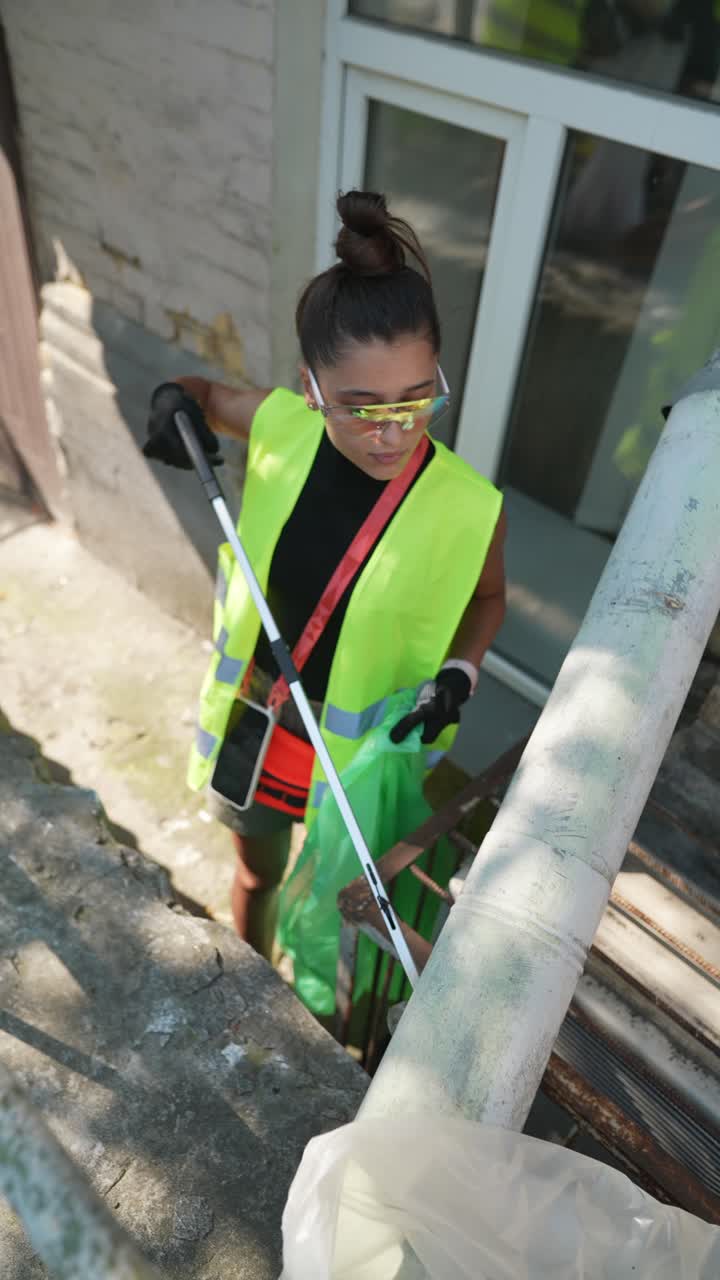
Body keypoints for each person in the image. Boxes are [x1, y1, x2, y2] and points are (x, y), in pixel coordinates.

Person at [143, 190, 507, 961]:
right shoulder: (281, 425)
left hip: (362, 758)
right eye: (361, 407)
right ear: (312, 388)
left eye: (417, 399)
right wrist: (175, 401)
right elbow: (204, 397)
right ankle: (250, 973)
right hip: (260, 723)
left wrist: (460, 673)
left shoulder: (471, 507)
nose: (393, 431)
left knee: (342, 916)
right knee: (257, 876)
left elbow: (489, 598)